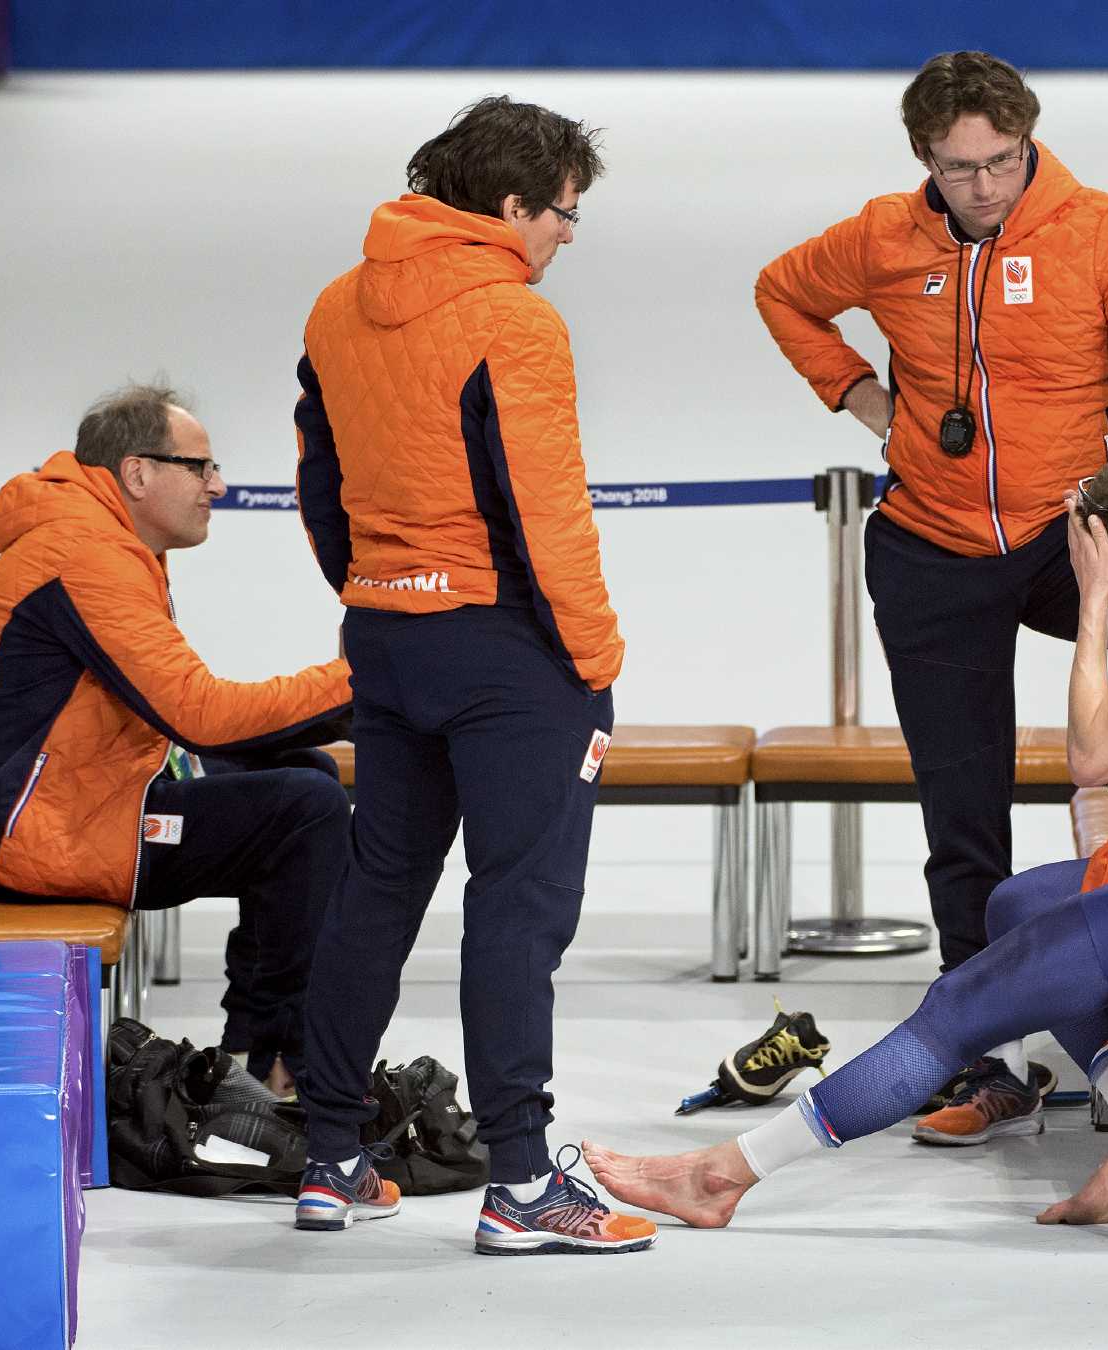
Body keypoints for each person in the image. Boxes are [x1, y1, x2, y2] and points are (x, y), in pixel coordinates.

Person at [582, 456, 1108, 1237]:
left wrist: (1089, 606)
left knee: (959, 1009)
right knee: (1016, 905)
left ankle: (723, 1174)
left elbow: (1090, 757)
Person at [755, 50, 1108, 1139]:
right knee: (959, 815)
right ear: (924, 159)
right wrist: (857, 394)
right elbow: (781, 292)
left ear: (1027, 142)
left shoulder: (1104, 231)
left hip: (1073, 536)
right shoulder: (880, 235)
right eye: (958, 169)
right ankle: (989, 1061)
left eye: (1000, 162)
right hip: (930, 547)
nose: (983, 187)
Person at [289, 95, 654, 1254]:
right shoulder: (514, 322)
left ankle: (331, 1156)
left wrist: (374, 592)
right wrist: (591, 662)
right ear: (508, 205)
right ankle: (520, 1182)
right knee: (519, 905)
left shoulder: (335, 306)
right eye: (561, 213)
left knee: (379, 887)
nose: (564, 236)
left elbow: (320, 481)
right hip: (507, 652)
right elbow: (547, 513)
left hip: (386, 637)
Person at [0, 384, 356, 1095]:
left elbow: (178, 714)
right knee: (306, 809)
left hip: (60, 805)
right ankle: (274, 1066)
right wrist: (356, 684)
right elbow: (200, 713)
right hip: (14, 841)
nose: (219, 485)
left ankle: (256, 1052)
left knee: (308, 775)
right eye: (200, 467)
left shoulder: (101, 541)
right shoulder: (87, 554)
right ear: (138, 473)